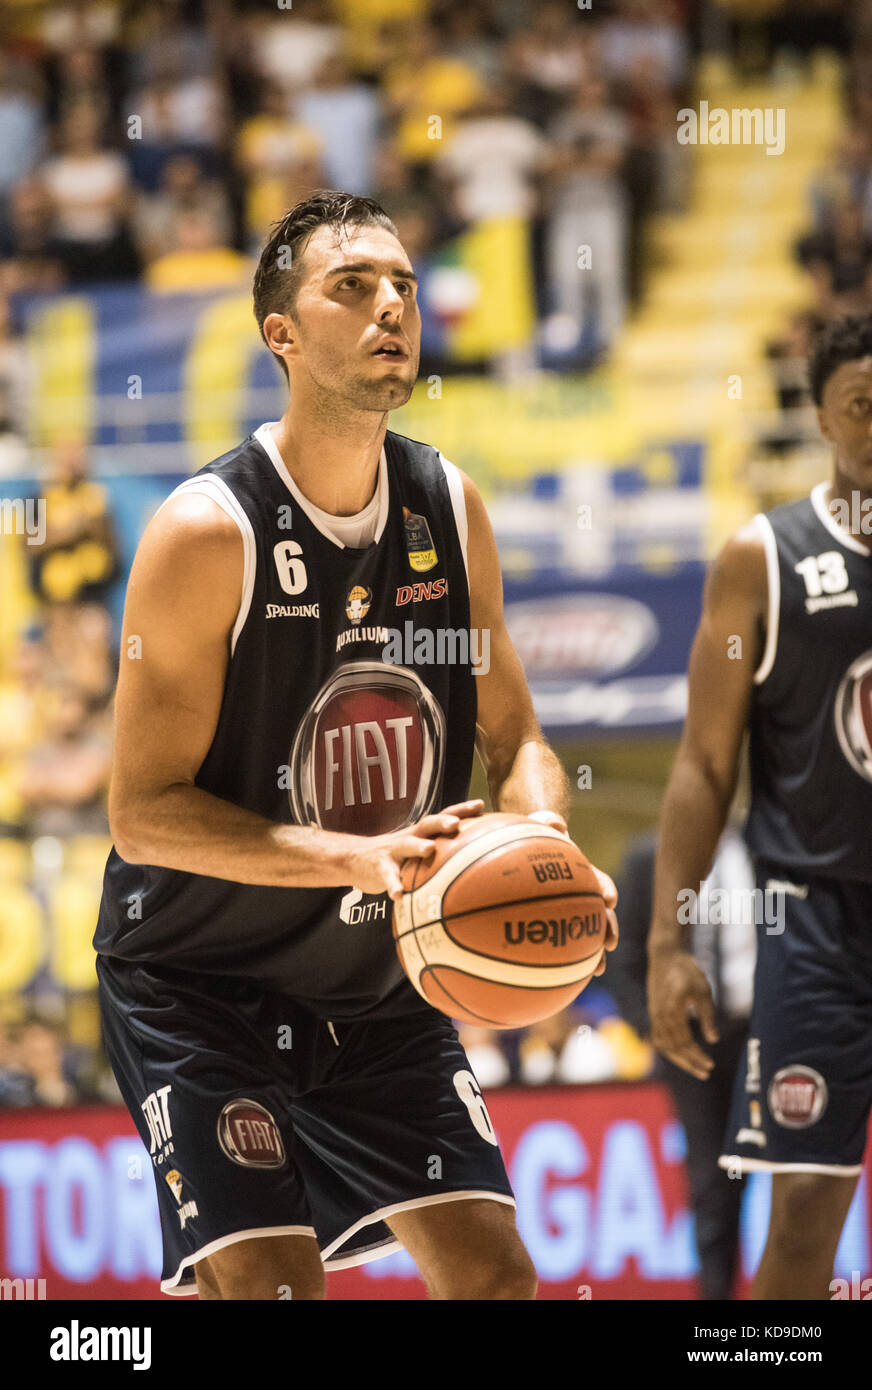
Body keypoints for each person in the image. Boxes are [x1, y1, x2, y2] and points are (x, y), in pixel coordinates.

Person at [93, 190, 618, 1301]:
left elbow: (512, 730)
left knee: (495, 1277)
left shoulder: (445, 505)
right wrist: (350, 856)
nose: (392, 306)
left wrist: (543, 841)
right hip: (199, 982)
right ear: (279, 333)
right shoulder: (205, 532)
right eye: (352, 285)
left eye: (403, 285)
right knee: (277, 1288)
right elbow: (141, 813)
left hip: (373, 988)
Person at [648, 314, 872, 1300]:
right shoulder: (761, 557)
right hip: (812, 925)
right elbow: (702, 765)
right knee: (797, 1228)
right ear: (820, 415)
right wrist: (666, 945)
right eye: (861, 403)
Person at [611, 827, 754, 1300]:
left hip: (763, 1033)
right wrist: (652, 1029)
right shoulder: (648, 858)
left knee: (794, 1168)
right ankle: (716, 1299)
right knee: (711, 1178)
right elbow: (623, 952)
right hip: (692, 1040)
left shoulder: (763, 853)